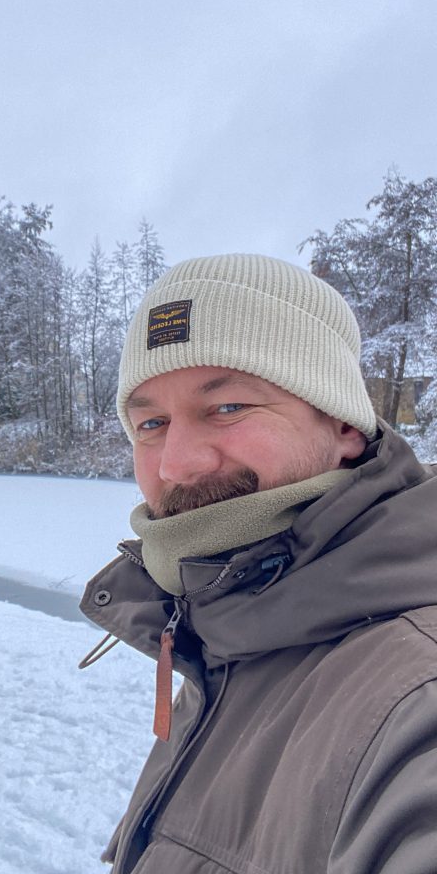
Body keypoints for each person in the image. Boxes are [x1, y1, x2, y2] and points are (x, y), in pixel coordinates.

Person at [80, 253, 437, 874]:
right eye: (151, 423)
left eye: (228, 408)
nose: (176, 464)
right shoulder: (225, 624)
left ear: (344, 424)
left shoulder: (417, 694)